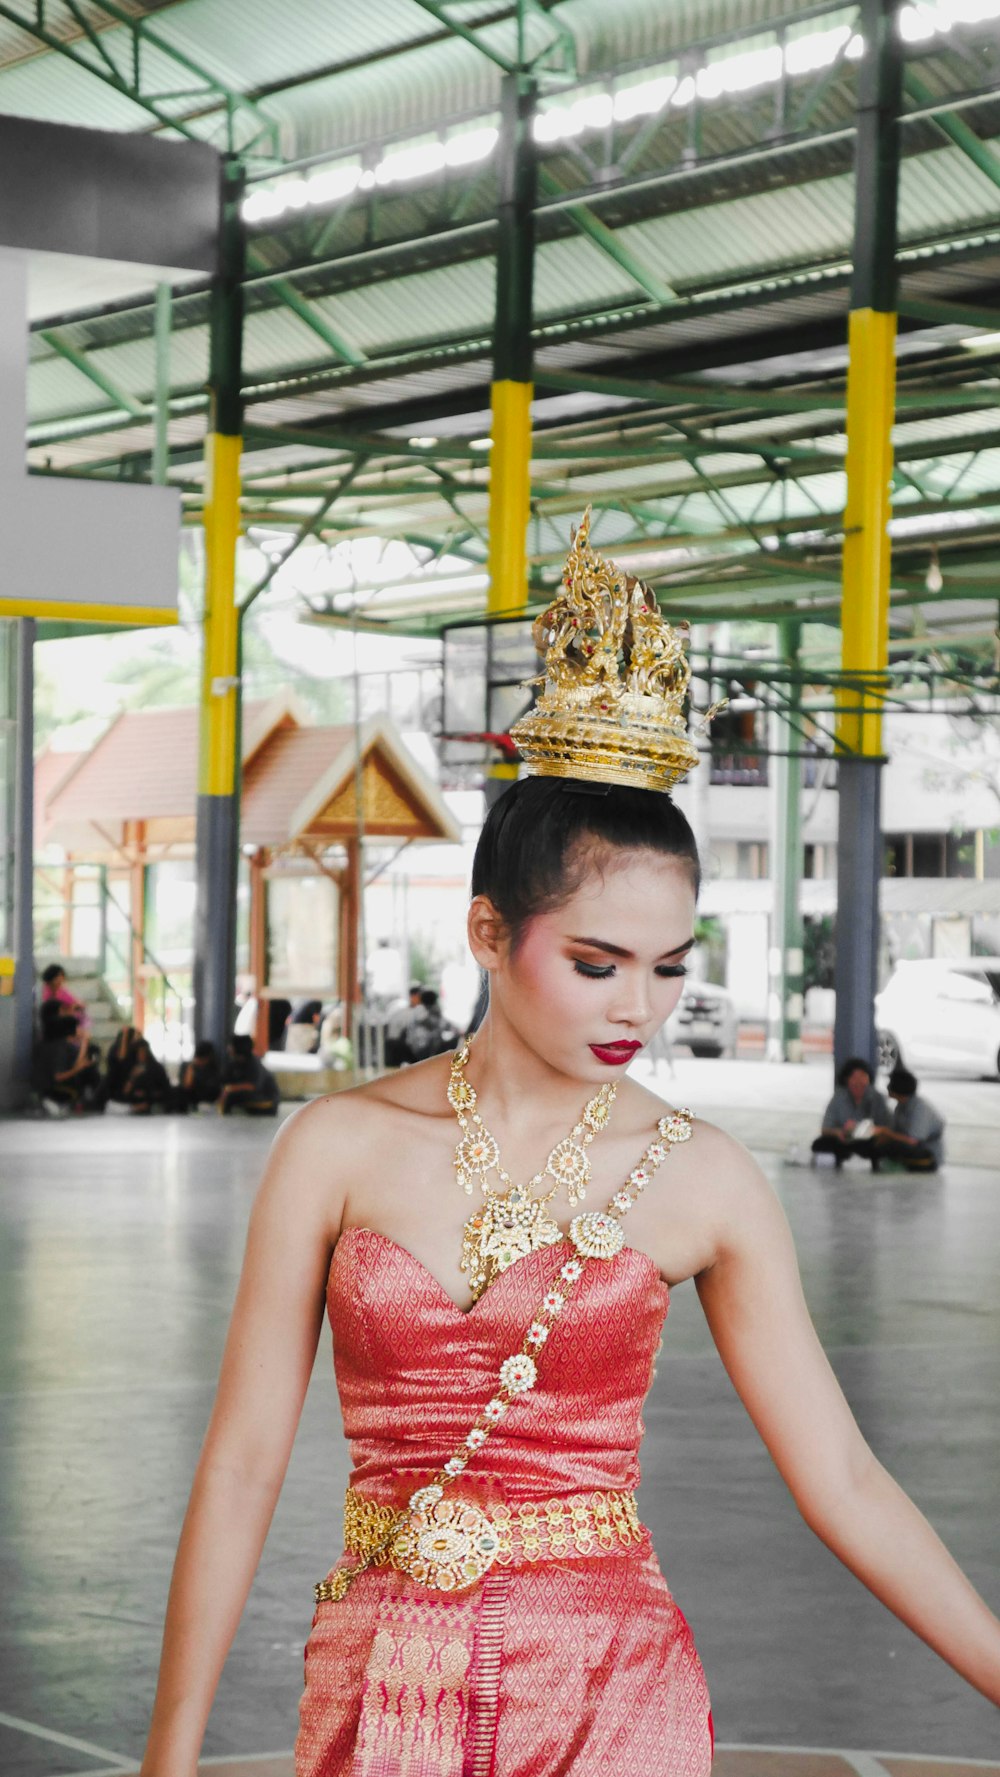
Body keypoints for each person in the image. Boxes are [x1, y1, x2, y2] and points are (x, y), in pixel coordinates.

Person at [140, 516, 1000, 1777]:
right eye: (595, 964)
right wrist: (166, 1761)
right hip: (381, 1692)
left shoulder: (704, 1176)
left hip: (615, 1698)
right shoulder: (335, 1148)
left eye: (665, 970)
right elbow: (243, 1462)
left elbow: (846, 1483)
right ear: (489, 932)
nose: (636, 1009)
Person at [811, 1055, 891, 1169]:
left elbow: (887, 1128)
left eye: (863, 1077)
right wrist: (839, 1133)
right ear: (846, 1080)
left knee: (882, 1147)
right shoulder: (838, 1098)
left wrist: (869, 1130)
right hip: (845, 1140)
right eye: (854, 1077)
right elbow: (825, 1129)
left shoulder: (877, 1098)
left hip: (869, 1140)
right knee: (819, 1144)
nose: (859, 1082)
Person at [860, 1066, 945, 1172]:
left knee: (892, 1146)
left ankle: (899, 1164)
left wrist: (885, 1132)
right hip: (909, 1148)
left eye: (890, 1083)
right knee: (873, 1143)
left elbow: (912, 1140)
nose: (887, 1087)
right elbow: (895, 1132)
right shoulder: (900, 1106)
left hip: (927, 1155)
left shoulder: (919, 1108)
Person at [32, 1004, 99, 1113]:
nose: (80, 1029)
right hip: (51, 1089)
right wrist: (78, 1068)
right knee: (89, 1074)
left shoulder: (59, 1044)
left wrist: (84, 1042)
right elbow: (59, 1076)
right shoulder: (60, 1047)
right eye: (77, 1027)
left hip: (48, 1087)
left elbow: (77, 1062)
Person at [219, 1034, 280, 1117]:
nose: (229, 1048)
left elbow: (253, 1086)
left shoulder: (254, 1064)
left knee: (232, 1096)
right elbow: (224, 1080)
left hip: (266, 1103)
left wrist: (230, 1088)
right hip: (251, 1100)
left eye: (231, 1045)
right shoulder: (234, 1063)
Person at [401, 986, 457, 1063]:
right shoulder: (421, 1010)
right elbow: (435, 1025)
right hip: (419, 1047)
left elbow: (445, 1025)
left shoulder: (426, 1010)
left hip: (422, 1047)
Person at [95, 1025, 143, 1110]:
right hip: (114, 1082)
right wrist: (125, 1036)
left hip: (125, 1081)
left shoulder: (134, 1049)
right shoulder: (116, 1048)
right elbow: (121, 1057)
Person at [123, 1039, 172, 1114]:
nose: (141, 1054)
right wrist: (133, 1076)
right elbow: (125, 1091)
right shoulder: (130, 1067)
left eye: (143, 1051)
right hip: (132, 1104)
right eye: (138, 1052)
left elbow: (165, 1089)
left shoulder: (156, 1068)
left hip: (153, 1104)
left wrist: (148, 1094)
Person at [40, 961, 90, 1033]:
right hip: (57, 1023)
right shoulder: (47, 992)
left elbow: (76, 1002)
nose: (61, 979)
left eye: (62, 976)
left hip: (69, 1019)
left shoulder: (62, 990)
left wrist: (76, 1006)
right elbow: (53, 1010)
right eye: (58, 977)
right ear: (51, 978)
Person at [175, 1040, 222, 1113]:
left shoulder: (213, 1070)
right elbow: (186, 1085)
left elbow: (214, 1092)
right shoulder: (187, 1066)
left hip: (208, 1104)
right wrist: (191, 1068)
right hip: (189, 1104)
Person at [383, 981, 423, 1067]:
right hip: (396, 1044)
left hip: (398, 1044)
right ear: (414, 996)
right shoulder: (404, 1010)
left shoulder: (410, 1009)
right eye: (419, 996)